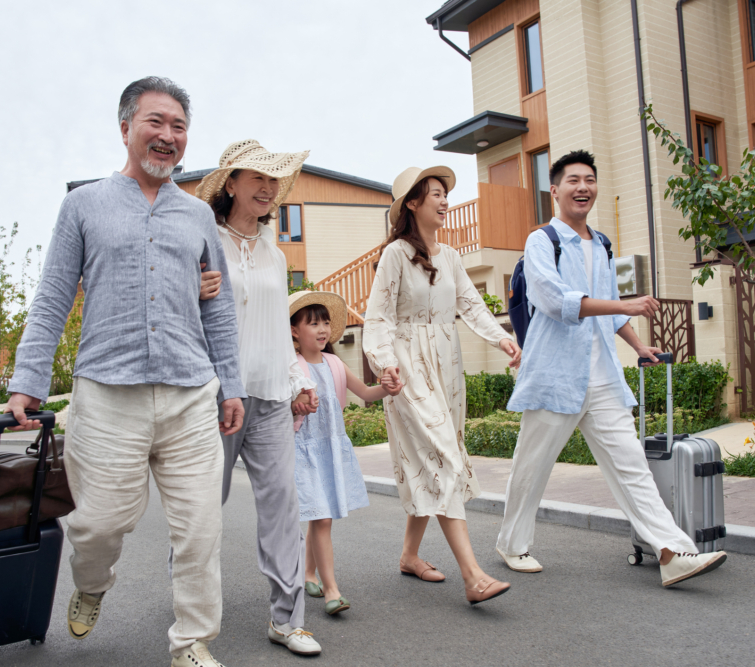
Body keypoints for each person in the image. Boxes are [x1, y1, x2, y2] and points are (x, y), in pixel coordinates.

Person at [5, 77, 244, 667]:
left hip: (190, 393)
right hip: (107, 394)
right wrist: (27, 381)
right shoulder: (83, 205)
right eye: (155, 122)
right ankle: (92, 584)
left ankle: (192, 643)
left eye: (179, 126)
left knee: (200, 531)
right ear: (126, 128)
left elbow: (218, 311)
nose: (168, 136)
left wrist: (231, 385)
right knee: (96, 526)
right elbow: (53, 295)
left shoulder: (198, 216)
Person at [495, 150, 727, 587]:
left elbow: (608, 307)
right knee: (531, 468)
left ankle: (674, 552)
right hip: (555, 376)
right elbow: (554, 300)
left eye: (590, 180)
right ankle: (511, 543)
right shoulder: (542, 240)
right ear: (555, 190)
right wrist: (625, 305)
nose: (583, 187)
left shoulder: (600, 243)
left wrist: (638, 344)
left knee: (631, 466)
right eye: (573, 180)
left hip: (602, 377)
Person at [362, 166, 522, 605]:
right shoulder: (395, 254)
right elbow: (378, 317)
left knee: (431, 460)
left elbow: (471, 304)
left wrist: (502, 338)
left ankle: (409, 555)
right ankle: (473, 576)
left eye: (445, 193)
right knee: (445, 459)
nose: (445, 200)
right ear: (413, 203)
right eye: (435, 193)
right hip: (407, 370)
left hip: (447, 367)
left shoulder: (450, 256)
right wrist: (385, 364)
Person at [194, 139, 322, 656]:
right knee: (204, 505)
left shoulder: (275, 250)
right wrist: (191, 290)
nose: (268, 188)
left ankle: (288, 619)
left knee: (282, 504)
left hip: (269, 395)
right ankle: (190, 603)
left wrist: (297, 381)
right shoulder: (205, 240)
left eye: (274, 180)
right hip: (217, 397)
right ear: (231, 184)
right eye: (257, 178)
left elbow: (274, 326)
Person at [288, 290, 386, 616]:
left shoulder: (334, 363)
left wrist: (388, 387)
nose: (322, 329)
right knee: (322, 517)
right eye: (313, 323)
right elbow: (281, 409)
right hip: (304, 453)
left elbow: (367, 392)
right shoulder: (292, 368)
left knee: (322, 515)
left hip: (330, 450)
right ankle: (332, 590)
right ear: (294, 331)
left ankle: (308, 573)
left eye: (325, 322)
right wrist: (296, 404)